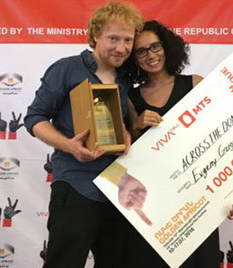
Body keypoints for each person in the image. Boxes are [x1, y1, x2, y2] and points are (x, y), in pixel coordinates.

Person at [23, 2, 143, 267]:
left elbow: (118, 123)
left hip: (116, 189)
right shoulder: (67, 69)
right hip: (76, 184)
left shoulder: (124, 77)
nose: (121, 48)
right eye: (113, 38)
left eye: (127, 40)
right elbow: (34, 118)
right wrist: (69, 145)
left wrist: (125, 135)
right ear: (95, 35)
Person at [123, 20, 233, 268]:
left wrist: (232, 192)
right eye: (141, 51)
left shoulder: (196, 84)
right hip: (155, 204)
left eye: (155, 46)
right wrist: (136, 125)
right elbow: (129, 153)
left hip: (198, 200)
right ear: (133, 58)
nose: (150, 55)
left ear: (167, 47)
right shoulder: (130, 98)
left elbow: (224, 139)